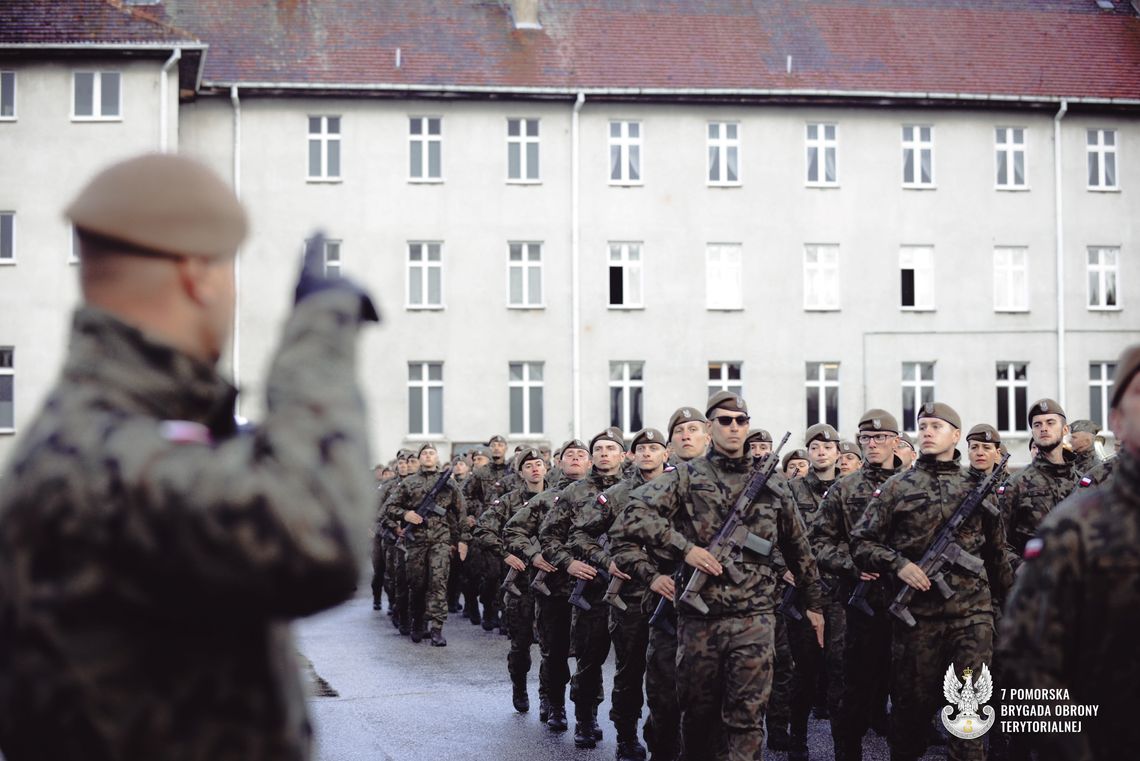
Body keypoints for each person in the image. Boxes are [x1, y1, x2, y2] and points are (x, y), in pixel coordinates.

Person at [0, 153, 378, 760]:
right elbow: (320, 536)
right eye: (229, 272)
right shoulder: (100, 458)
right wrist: (317, 335)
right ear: (197, 273)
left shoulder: (106, 431)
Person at [616, 391, 825, 761]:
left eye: (740, 421)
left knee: (746, 721)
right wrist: (686, 549)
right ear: (711, 428)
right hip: (699, 622)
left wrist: (814, 604)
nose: (733, 427)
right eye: (725, 420)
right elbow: (634, 513)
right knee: (698, 720)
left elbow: (799, 549)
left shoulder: (774, 486)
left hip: (755, 620)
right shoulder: (685, 477)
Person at [998, 345, 1140, 760]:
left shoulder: (1087, 477)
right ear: (1117, 421)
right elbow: (1028, 664)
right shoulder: (1073, 517)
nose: (1043, 428)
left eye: (1051, 422)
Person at [851, 402, 1013, 761]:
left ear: (955, 435)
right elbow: (861, 543)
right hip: (917, 622)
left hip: (971, 618)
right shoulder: (897, 487)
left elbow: (997, 554)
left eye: (936, 426)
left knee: (967, 717)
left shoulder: (978, 487)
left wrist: (1013, 610)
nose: (926, 431)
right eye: (922, 426)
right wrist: (899, 564)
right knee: (910, 718)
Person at [572, 427, 671, 761]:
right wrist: (607, 561)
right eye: (640, 448)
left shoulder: (681, 489)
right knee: (629, 672)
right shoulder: (616, 494)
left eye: (653, 448)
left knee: (669, 673)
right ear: (632, 455)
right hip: (629, 597)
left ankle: (662, 736)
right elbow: (581, 535)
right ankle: (627, 736)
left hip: (671, 593)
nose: (646, 453)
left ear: (665, 453)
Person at [815, 409, 901, 761]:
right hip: (856, 604)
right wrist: (852, 566)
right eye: (866, 438)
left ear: (896, 440)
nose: (872, 444)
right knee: (851, 691)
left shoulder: (914, 486)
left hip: (908, 602)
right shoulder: (843, 488)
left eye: (880, 437)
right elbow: (818, 542)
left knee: (907, 691)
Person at [540, 427, 626, 748]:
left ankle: (627, 730)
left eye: (610, 448)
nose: (605, 454)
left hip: (632, 587)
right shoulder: (574, 492)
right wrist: (569, 563)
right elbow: (549, 536)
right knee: (589, 657)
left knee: (631, 663)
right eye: (599, 449)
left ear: (623, 455)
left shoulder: (639, 489)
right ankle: (585, 718)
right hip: (591, 585)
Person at [503, 439, 591, 732]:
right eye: (570, 455)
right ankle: (555, 705)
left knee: (590, 656)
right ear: (560, 463)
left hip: (594, 588)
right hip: (554, 588)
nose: (576, 459)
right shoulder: (545, 499)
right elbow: (512, 530)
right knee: (554, 652)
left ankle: (587, 714)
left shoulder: (605, 496)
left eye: (582, 455)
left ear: (589, 462)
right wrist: (533, 555)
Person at [473, 448, 549, 712]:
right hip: (520, 584)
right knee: (521, 644)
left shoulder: (560, 497)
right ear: (520, 472)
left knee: (552, 646)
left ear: (547, 468)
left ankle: (547, 698)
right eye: (528, 466)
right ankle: (519, 688)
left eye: (539, 464)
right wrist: (505, 555)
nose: (535, 469)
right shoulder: (508, 501)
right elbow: (482, 528)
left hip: (553, 582)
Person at [787, 423, 845, 760]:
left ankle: (842, 744)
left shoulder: (848, 489)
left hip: (839, 591)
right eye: (814, 447)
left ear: (838, 452)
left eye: (827, 447)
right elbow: (773, 533)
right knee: (804, 670)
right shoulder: (792, 490)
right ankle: (797, 738)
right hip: (804, 591)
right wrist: (784, 569)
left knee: (839, 669)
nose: (821, 452)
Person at [385, 443, 468, 646]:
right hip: (416, 542)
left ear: (436, 457)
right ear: (420, 458)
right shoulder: (409, 483)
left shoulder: (448, 483)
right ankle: (418, 622)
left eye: (432, 453)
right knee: (417, 584)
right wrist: (406, 514)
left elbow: (461, 512)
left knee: (438, 583)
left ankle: (437, 628)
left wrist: (463, 540)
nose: (428, 456)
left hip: (440, 541)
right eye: (425, 454)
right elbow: (390, 507)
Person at [1000, 399, 1079, 564]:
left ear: (1065, 429)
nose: (1043, 428)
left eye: (1050, 423)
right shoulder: (1016, 484)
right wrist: (1022, 569)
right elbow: (1000, 543)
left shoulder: (1083, 482)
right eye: (1037, 425)